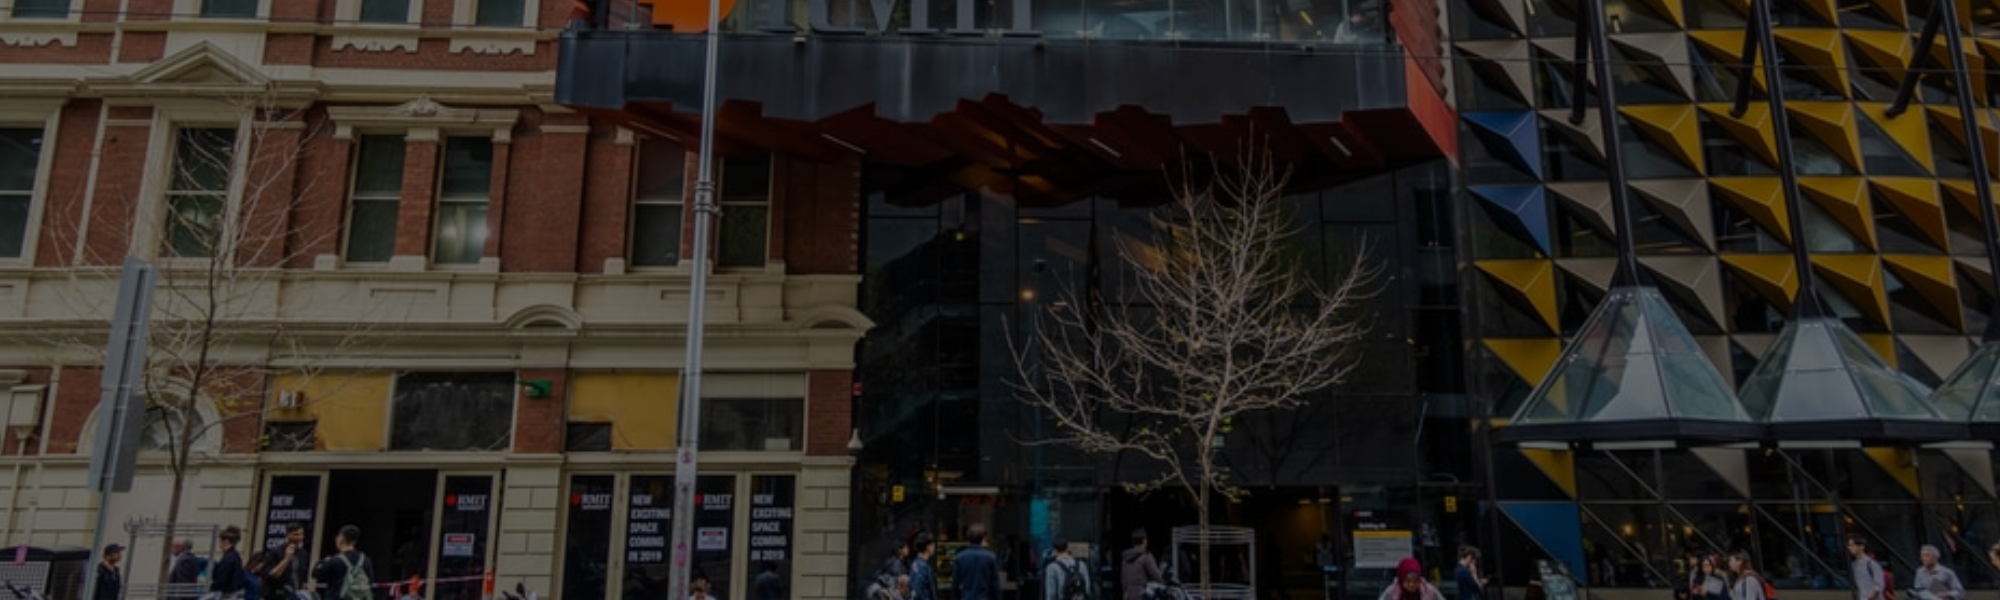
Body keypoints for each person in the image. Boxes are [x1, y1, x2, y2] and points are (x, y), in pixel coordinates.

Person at [310, 525, 374, 600]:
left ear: (341, 538)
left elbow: (315, 573)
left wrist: (323, 561)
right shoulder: (366, 560)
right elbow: (370, 581)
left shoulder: (334, 560)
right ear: (355, 541)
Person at [259, 524, 309, 600]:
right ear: (287, 535)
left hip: (295, 595)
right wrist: (287, 559)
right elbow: (270, 576)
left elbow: (301, 576)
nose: (299, 538)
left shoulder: (302, 554)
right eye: (296, 535)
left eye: (301, 534)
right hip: (276, 595)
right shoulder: (275, 552)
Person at [955, 524, 1002, 600]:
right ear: (983, 538)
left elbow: (955, 584)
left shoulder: (960, 557)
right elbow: (995, 584)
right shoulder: (991, 557)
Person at [1122, 529, 1164, 600]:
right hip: (1142, 596)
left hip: (1129, 596)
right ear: (1144, 541)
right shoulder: (1146, 556)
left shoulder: (1125, 559)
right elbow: (1157, 577)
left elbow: (1124, 581)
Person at [1377, 557, 1445, 600]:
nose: (1411, 584)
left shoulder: (1429, 591)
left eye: (1415, 581)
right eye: (1408, 581)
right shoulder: (1392, 591)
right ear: (1401, 579)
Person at [211, 526, 248, 599]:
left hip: (228, 594)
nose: (219, 545)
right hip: (234, 593)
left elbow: (221, 578)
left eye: (220, 541)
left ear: (226, 542)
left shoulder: (228, 558)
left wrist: (213, 586)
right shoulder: (236, 556)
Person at [910, 533, 940, 600]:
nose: (934, 547)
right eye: (933, 545)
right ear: (928, 547)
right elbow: (918, 591)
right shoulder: (923, 567)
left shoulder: (915, 563)